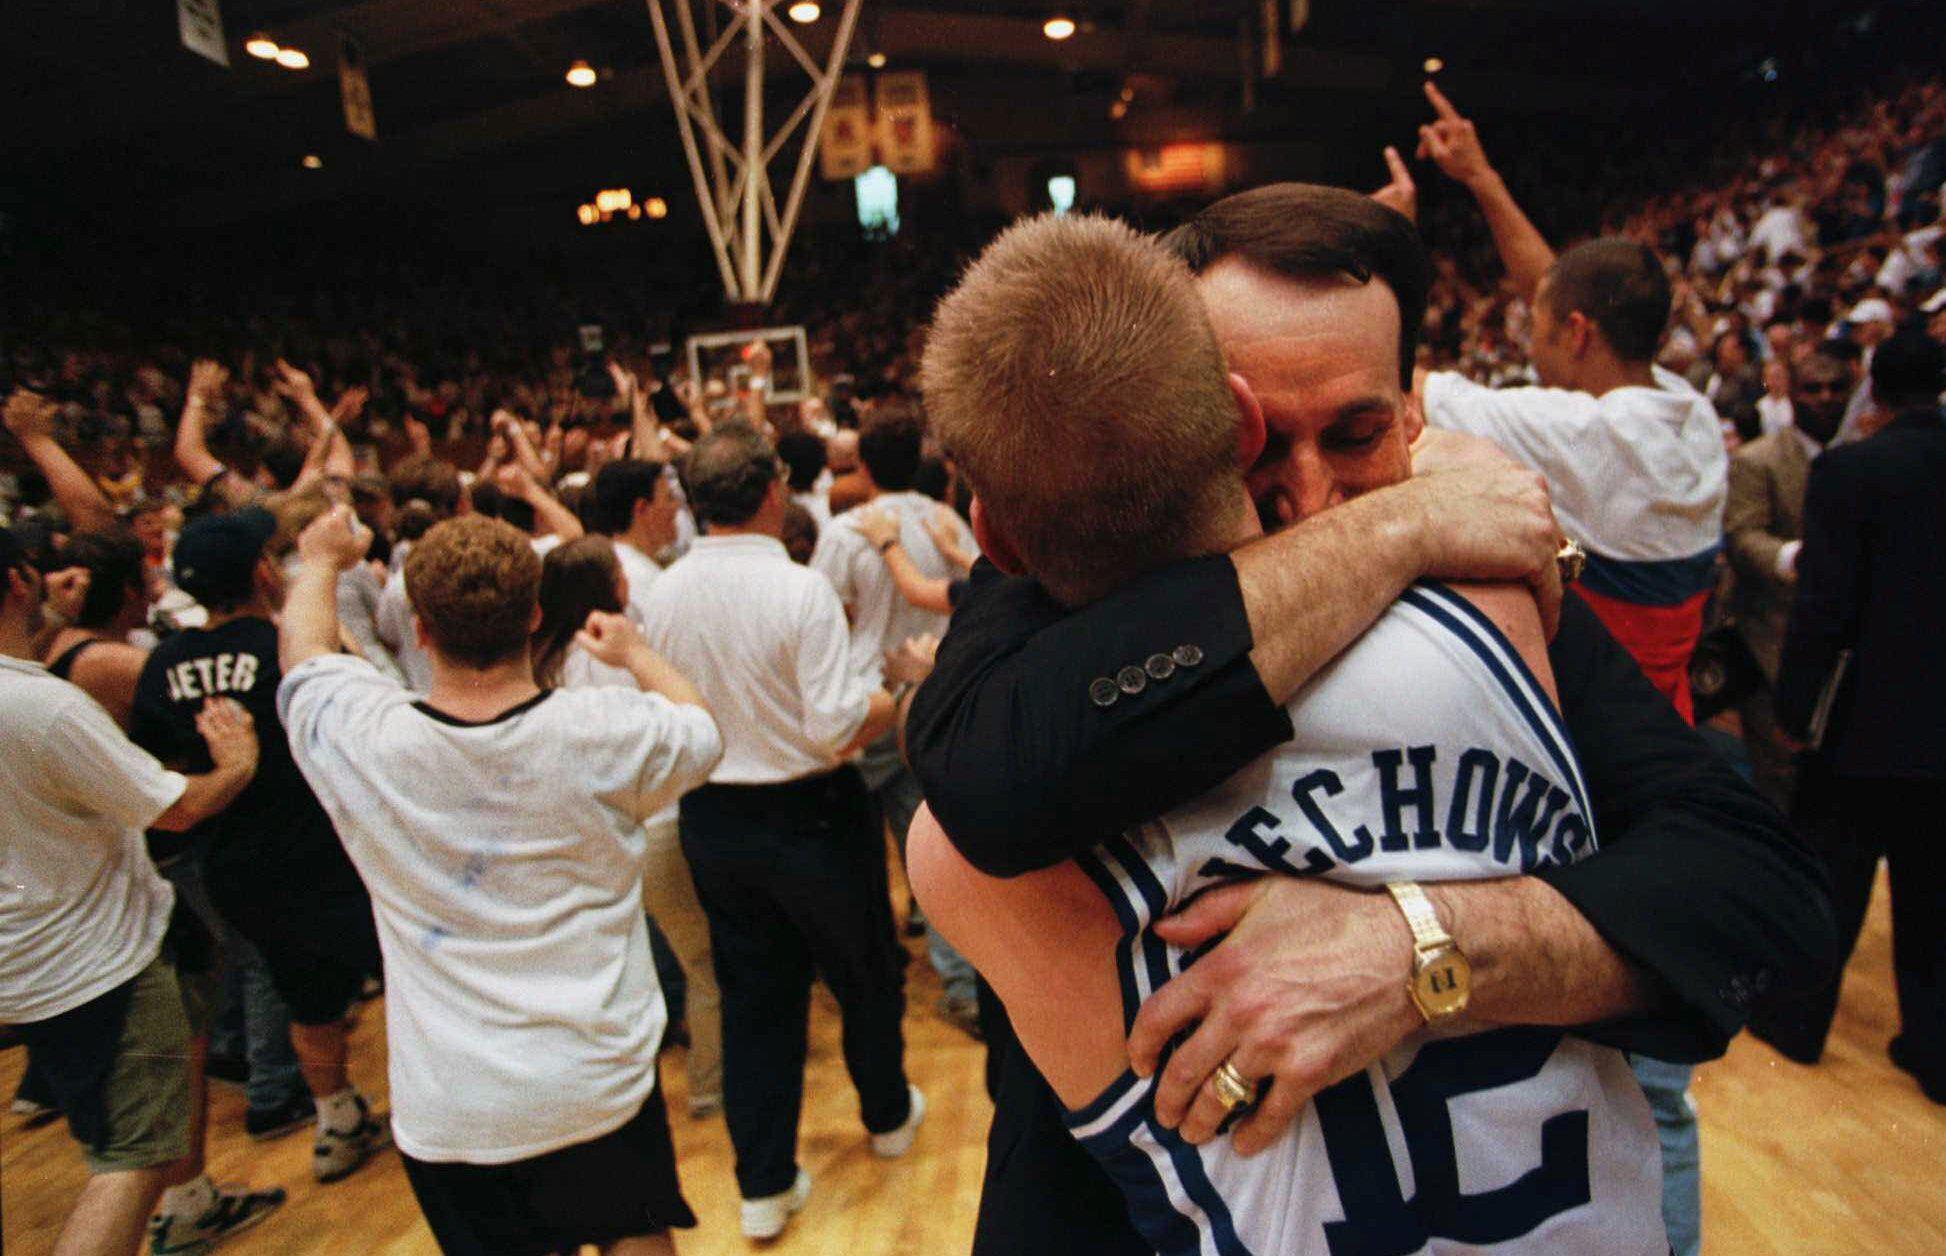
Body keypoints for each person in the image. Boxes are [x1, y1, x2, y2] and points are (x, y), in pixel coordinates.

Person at [903, 184, 1833, 1256]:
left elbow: (1769, 903)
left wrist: (1422, 947)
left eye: (1355, 436)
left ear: (1411, 416)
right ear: (1190, 420)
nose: (1309, 499)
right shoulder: (1064, 600)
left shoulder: (1490, 597)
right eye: (1257, 453)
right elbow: (980, 778)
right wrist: (1400, 522)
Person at [278, 507, 723, 1255]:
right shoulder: (605, 729)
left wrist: (319, 560)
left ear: (419, 628)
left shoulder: (364, 737)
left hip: (454, 1106)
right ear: (535, 617)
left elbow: (304, 652)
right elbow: (701, 730)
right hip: (595, 1080)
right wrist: (636, 653)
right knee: (636, 1237)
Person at [637, 424, 921, 1240]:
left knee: (755, 1000)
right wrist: (900, 694)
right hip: (811, 813)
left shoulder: (663, 592)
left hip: (713, 816)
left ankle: (762, 1185)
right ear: (772, 492)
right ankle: (889, 1116)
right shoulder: (797, 589)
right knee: (863, 970)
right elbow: (836, 723)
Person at [0, 524, 282, 1256]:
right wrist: (236, 764)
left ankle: (193, 1205)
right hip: (95, 958)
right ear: (18, 585)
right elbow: (177, 805)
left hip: (33, 955)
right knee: (132, 1160)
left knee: (152, 1106)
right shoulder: (41, 709)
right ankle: (178, 1201)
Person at [1411, 82, 1727, 727]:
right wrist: (1481, 178)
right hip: (1671, 707)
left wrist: (1388, 238)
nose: (1530, 328)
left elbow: (1396, 384)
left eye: (1541, 322)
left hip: (1599, 734)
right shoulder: (1685, 409)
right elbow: (1556, 288)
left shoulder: (1576, 429)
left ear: (1578, 333)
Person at [128, 507, 391, 1185]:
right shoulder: (290, 645)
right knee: (403, 981)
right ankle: (443, 1109)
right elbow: (368, 708)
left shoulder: (158, 667)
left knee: (305, 994)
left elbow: (157, 777)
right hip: (326, 854)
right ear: (262, 572)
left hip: (234, 869)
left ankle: (336, 1121)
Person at [1757, 332, 1946, 1101]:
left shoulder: (1850, 470)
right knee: (1935, 896)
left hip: (1864, 718)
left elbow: (1823, 610)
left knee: (1830, 879)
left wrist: (1794, 709)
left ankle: (1798, 1027)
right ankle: (1935, 1054)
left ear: (1876, 388)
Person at [530, 535, 727, 1119]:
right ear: (610, 584)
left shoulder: (544, 662)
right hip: (652, 829)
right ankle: (709, 1087)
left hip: (583, 839)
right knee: (706, 966)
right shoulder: (614, 658)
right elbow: (685, 737)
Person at [809, 403, 983, 1029]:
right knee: (932, 852)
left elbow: (823, 613)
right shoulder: (947, 521)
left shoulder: (848, 528)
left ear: (862, 465)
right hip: (930, 693)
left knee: (854, 855)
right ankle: (961, 982)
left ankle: (869, 966)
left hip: (864, 699)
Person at [1724, 348, 1852, 809]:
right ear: (1791, 395)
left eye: (1836, 388)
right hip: (1773, 637)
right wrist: (1794, 557)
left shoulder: (1862, 452)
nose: (1825, 398)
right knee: (1779, 775)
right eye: (1812, 389)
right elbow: (1741, 536)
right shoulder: (1759, 461)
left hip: (1848, 644)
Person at [588, 459, 680, 623]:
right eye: (669, 498)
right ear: (642, 508)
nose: (676, 506)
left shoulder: (627, 563)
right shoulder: (636, 577)